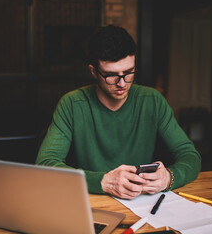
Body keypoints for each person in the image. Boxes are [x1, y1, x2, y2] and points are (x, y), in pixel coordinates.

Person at [36, 24, 201, 199]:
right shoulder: (72, 104)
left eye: (129, 72)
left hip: (141, 203)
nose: (122, 83)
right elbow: (46, 164)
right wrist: (103, 181)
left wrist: (169, 177)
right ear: (93, 71)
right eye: (111, 75)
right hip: (92, 203)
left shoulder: (153, 100)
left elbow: (190, 156)